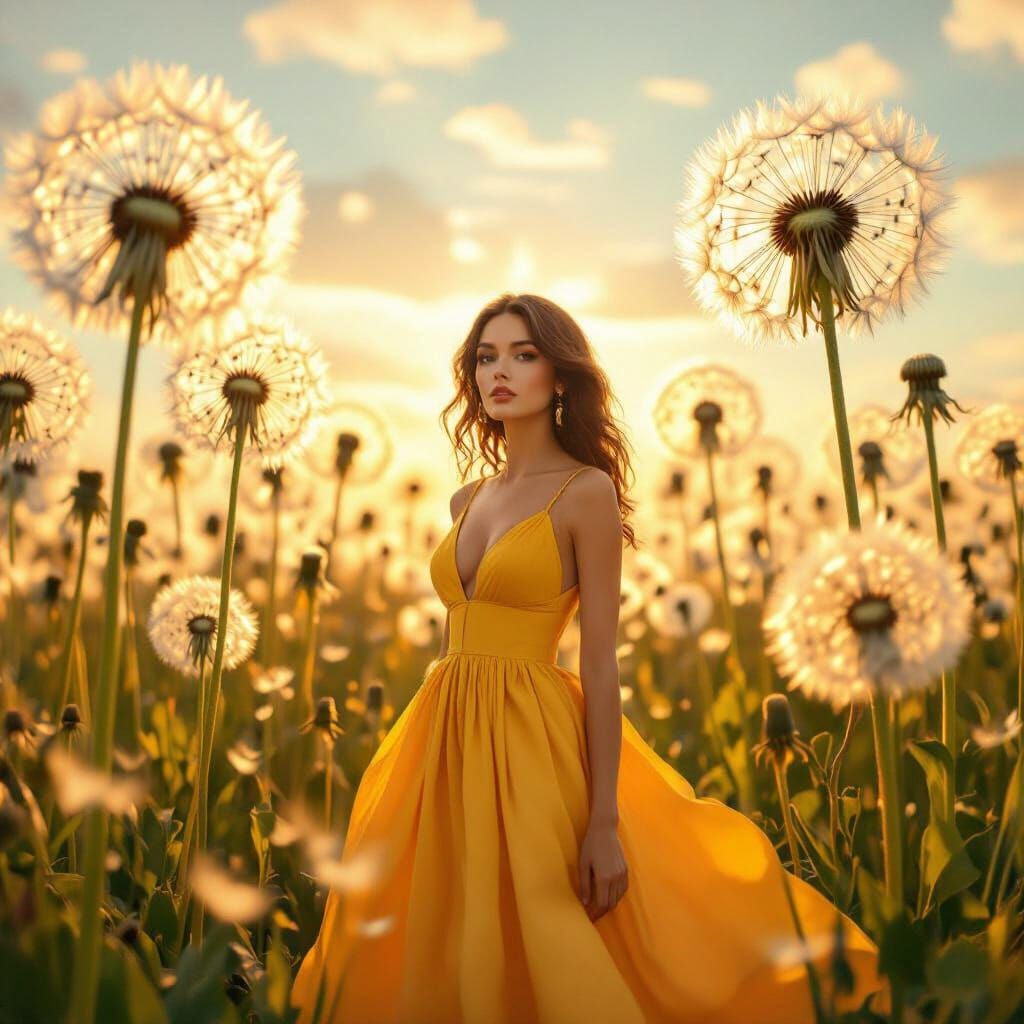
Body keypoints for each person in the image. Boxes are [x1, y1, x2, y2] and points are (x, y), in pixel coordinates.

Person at [290, 293, 889, 1023]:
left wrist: (603, 820)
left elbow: (600, 663)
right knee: (435, 921)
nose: (499, 372)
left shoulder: (586, 493)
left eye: (523, 354)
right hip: (439, 733)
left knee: (549, 924)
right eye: (486, 357)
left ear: (562, 376)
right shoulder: (464, 500)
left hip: (533, 739)